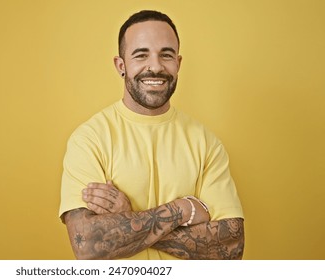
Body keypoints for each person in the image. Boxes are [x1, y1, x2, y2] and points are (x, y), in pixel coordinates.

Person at [58, 10, 245, 260]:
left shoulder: (206, 143)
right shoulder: (89, 139)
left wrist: (128, 217)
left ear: (178, 63)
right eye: (141, 54)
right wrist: (183, 209)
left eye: (166, 55)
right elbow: (89, 245)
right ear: (121, 65)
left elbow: (231, 248)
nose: (155, 66)